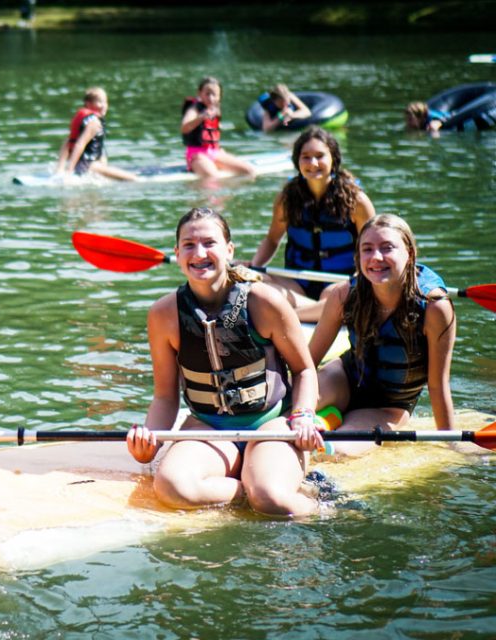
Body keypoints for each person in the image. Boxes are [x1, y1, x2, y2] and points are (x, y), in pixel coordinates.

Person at [127, 207, 323, 517]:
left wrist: (303, 416)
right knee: (172, 488)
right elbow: (165, 396)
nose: (199, 252)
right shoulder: (163, 314)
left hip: (271, 423)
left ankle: (321, 507)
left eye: (209, 242)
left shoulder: (265, 301)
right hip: (209, 427)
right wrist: (150, 439)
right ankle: (249, 486)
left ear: (229, 250)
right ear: (177, 254)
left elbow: (304, 370)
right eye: (189, 245)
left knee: (271, 499)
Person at [309, 214, 456, 457]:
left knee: (335, 453)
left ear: (409, 252)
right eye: (367, 249)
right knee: (291, 410)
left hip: (390, 406)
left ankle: (331, 420)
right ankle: (327, 416)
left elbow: (438, 385)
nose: (376, 257)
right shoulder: (344, 294)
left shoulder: (434, 307)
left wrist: (451, 444)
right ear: (358, 257)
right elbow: (307, 361)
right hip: (345, 377)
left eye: (387, 248)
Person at [247, 126, 376, 322]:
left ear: (334, 159)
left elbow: (372, 247)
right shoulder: (287, 198)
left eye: (319, 156)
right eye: (305, 157)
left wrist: (361, 278)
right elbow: (272, 240)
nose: (313, 163)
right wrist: (254, 267)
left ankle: (289, 316)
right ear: (297, 161)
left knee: (339, 296)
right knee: (252, 283)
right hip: (297, 285)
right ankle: (320, 313)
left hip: (339, 284)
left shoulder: (357, 201)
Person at [180, 77, 257, 181]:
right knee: (213, 178)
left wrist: (219, 150)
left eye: (214, 94)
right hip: (197, 155)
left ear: (219, 96)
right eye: (207, 94)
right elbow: (184, 128)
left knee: (250, 171)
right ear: (199, 93)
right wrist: (200, 117)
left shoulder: (215, 109)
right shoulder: (194, 109)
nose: (211, 98)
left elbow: (211, 133)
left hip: (215, 152)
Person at [55, 87, 138, 181]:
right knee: (134, 179)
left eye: (105, 102)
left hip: (83, 165)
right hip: (89, 166)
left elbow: (67, 142)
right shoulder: (94, 123)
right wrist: (69, 172)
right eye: (100, 102)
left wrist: (60, 169)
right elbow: (79, 144)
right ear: (88, 104)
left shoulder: (86, 121)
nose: (104, 106)